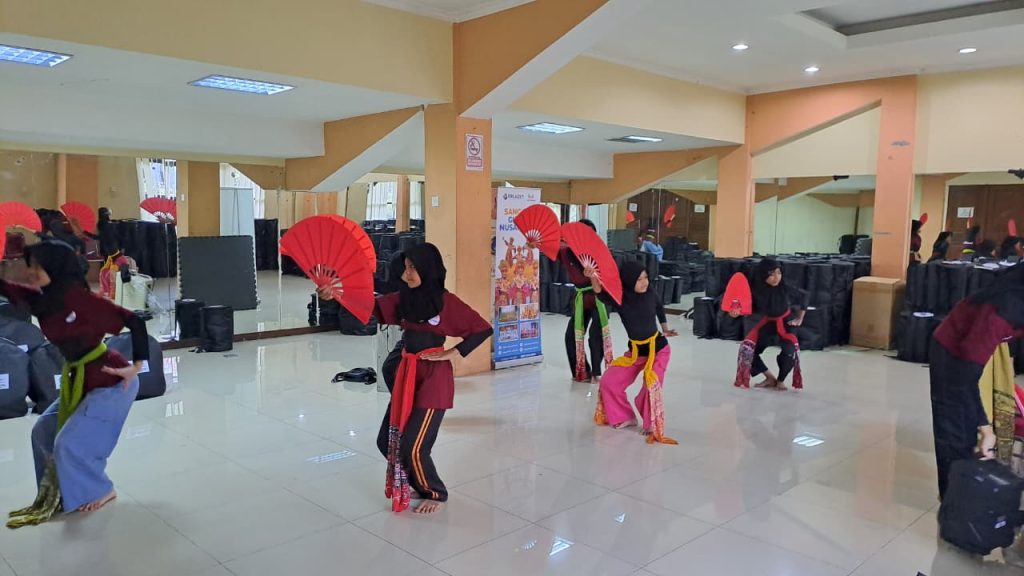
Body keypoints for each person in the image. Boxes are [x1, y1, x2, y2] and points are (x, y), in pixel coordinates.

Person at [322, 243, 491, 514]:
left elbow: (482, 329)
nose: (407, 274)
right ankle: (417, 481)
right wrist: (337, 294)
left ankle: (435, 492)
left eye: (413, 268)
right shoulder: (404, 299)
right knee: (386, 441)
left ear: (428, 269)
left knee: (413, 447)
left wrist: (453, 353)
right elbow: (371, 307)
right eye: (406, 267)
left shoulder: (447, 303)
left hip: (434, 380)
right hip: (408, 376)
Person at [3, 241, 147, 529]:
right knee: (44, 431)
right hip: (79, 379)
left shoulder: (78, 299)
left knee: (69, 442)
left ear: (54, 268)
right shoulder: (43, 298)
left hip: (111, 381)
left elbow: (134, 321)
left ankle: (101, 489)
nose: (30, 273)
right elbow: (7, 289)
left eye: (36, 267)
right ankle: (55, 494)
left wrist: (136, 366)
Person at [929, 264, 1024, 501]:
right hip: (952, 351)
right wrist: (986, 429)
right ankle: (953, 503)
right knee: (956, 429)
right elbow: (965, 380)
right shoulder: (1003, 312)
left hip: (978, 341)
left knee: (969, 426)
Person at [593, 261, 678, 444]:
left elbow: (659, 309)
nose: (644, 282)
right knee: (609, 381)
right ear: (629, 280)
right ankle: (625, 417)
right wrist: (592, 276)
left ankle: (650, 423)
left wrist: (666, 329)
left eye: (646, 277)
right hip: (636, 352)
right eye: (639, 279)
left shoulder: (650, 293)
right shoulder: (621, 298)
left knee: (651, 383)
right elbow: (599, 293)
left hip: (659, 349)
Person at [731, 258, 808, 390]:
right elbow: (748, 308)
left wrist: (799, 318)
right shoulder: (755, 289)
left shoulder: (785, 286)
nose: (776, 277)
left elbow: (804, 296)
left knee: (789, 352)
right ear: (763, 274)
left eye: (778, 273)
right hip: (767, 322)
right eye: (771, 274)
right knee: (747, 350)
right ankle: (769, 378)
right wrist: (736, 312)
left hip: (785, 322)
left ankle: (780, 380)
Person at [558, 219, 612, 382]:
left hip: (600, 296)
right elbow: (550, 247)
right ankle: (581, 371)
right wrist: (535, 245)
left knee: (596, 335)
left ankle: (596, 372)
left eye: (589, 234)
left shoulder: (601, 253)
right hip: (581, 298)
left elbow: (609, 277)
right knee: (571, 336)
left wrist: (594, 276)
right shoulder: (565, 252)